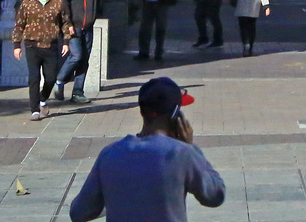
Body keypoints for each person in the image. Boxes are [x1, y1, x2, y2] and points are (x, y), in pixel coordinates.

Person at [69, 77, 225, 222]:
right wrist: (192, 148)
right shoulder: (181, 154)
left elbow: (78, 212)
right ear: (176, 116)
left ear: (142, 111)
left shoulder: (110, 153)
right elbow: (215, 195)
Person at [13, 0, 73, 120]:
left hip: (51, 46)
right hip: (32, 46)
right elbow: (19, 24)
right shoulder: (27, 3)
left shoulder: (57, 2)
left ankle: (42, 98)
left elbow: (65, 22)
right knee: (34, 77)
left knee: (51, 77)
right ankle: (34, 110)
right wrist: (17, 45)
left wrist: (66, 42)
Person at [57, 0, 99, 103]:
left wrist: (94, 16)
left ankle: (78, 92)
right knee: (76, 55)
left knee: (84, 59)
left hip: (88, 24)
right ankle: (60, 80)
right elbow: (64, 3)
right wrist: (67, 23)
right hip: (74, 24)